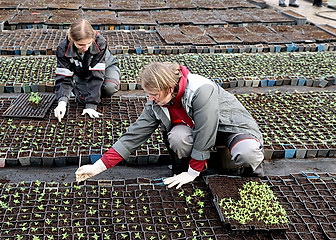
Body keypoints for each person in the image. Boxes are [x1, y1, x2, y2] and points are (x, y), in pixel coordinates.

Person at [75, 62, 264, 189]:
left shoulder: (200, 90)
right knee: (178, 137)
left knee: (247, 153)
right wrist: (97, 167)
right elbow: (133, 136)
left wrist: (192, 172)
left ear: (168, 88)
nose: (150, 98)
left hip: (230, 127)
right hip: (198, 132)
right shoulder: (155, 103)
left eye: (154, 94)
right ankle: (201, 167)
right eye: (148, 94)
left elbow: (206, 129)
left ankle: (246, 174)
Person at [54, 19, 120, 120]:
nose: (85, 48)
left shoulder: (100, 43)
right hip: (81, 73)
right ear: (72, 39)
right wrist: (62, 103)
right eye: (81, 45)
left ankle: (94, 95)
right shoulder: (63, 49)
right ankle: (79, 87)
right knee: (82, 99)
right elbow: (63, 77)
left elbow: (97, 74)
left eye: (88, 43)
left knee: (109, 87)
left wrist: (91, 105)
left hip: (106, 67)